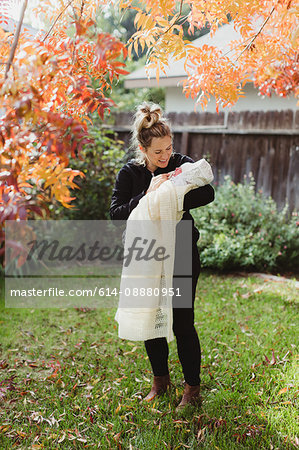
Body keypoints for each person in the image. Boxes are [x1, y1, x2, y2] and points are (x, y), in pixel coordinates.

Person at [110, 102, 214, 409]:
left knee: (182, 321)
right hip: (146, 254)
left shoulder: (180, 164)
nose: (165, 156)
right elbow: (116, 214)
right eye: (158, 152)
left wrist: (173, 189)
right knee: (150, 316)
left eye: (168, 148)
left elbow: (208, 193)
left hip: (181, 251)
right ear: (143, 149)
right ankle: (160, 380)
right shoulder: (129, 174)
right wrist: (148, 194)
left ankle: (192, 389)